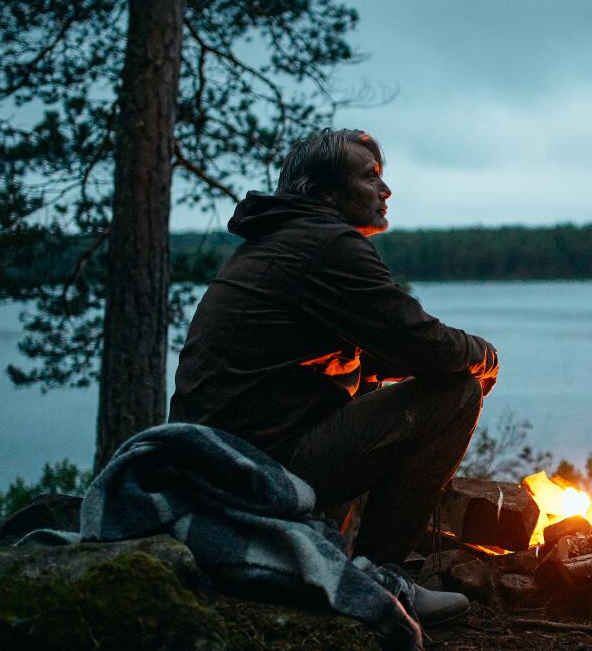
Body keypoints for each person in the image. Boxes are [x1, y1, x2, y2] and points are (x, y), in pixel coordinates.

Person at [170, 128, 498, 625]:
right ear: (326, 193)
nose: (385, 191)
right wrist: (484, 355)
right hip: (251, 470)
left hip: (219, 460)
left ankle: (351, 557)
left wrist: (429, 361)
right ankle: (380, 576)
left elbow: (379, 353)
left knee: (369, 380)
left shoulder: (285, 240)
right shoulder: (326, 244)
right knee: (456, 392)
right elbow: (424, 343)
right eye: (369, 177)